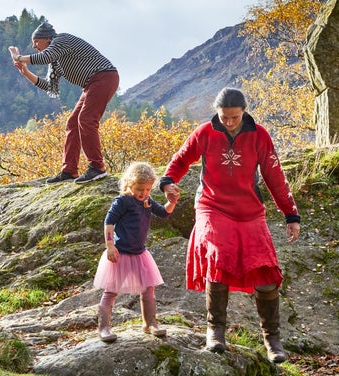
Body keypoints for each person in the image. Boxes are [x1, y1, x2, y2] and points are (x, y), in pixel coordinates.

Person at [159, 87, 301, 363]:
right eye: (224, 117)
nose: (229, 122)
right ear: (217, 112)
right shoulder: (204, 133)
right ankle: (215, 332)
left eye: (234, 117)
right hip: (212, 207)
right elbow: (179, 161)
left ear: (244, 111)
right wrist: (168, 182)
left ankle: (272, 340)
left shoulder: (259, 135)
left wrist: (291, 214)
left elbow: (275, 175)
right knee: (218, 260)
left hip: (250, 211)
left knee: (267, 272)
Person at [10, 22, 118, 184]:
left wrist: (18, 57)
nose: (34, 46)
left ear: (47, 39)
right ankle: (69, 171)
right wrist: (25, 72)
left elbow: (44, 57)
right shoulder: (56, 60)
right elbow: (50, 86)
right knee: (73, 123)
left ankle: (97, 167)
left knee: (86, 120)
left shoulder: (62, 39)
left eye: (36, 42)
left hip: (104, 77)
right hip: (92, 84)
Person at [93, 162, 179, 342]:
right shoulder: (122, 201)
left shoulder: (147, 200)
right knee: (111, 291)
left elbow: (163, 213)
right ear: (129, 184)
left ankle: (150, 323)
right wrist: (110, 245)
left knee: (148, 289)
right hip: (121, 253)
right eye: (140, 189)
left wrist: (172, 202)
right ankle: (104, 327)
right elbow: (109, 222)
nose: (144, 193)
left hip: (140, 253)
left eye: (148, 189)